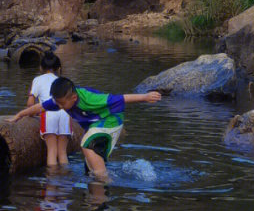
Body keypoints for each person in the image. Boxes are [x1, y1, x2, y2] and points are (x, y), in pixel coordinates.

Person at [12, 76, 163, 183]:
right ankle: (98, 192)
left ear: (73, 98)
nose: (59, 107)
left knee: (86, 143)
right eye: (57, 103)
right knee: (90, 168)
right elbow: (41, 106)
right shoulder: (60, 100)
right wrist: (19, 115)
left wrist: (145, 97)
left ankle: (106, 180)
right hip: (95, 125)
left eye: (62, 104)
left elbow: (121, 98)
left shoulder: (89, 98)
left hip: (110, 120)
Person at [27, 52, 71, 167]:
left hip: (49, 113)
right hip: (65, 113)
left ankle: (51, 183)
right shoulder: (62, 81)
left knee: (52, 151)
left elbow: (30, 103)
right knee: (62, 152)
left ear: (41, 67)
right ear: (58, 68)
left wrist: (33, 114)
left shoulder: (37, 80)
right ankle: (65, 182)